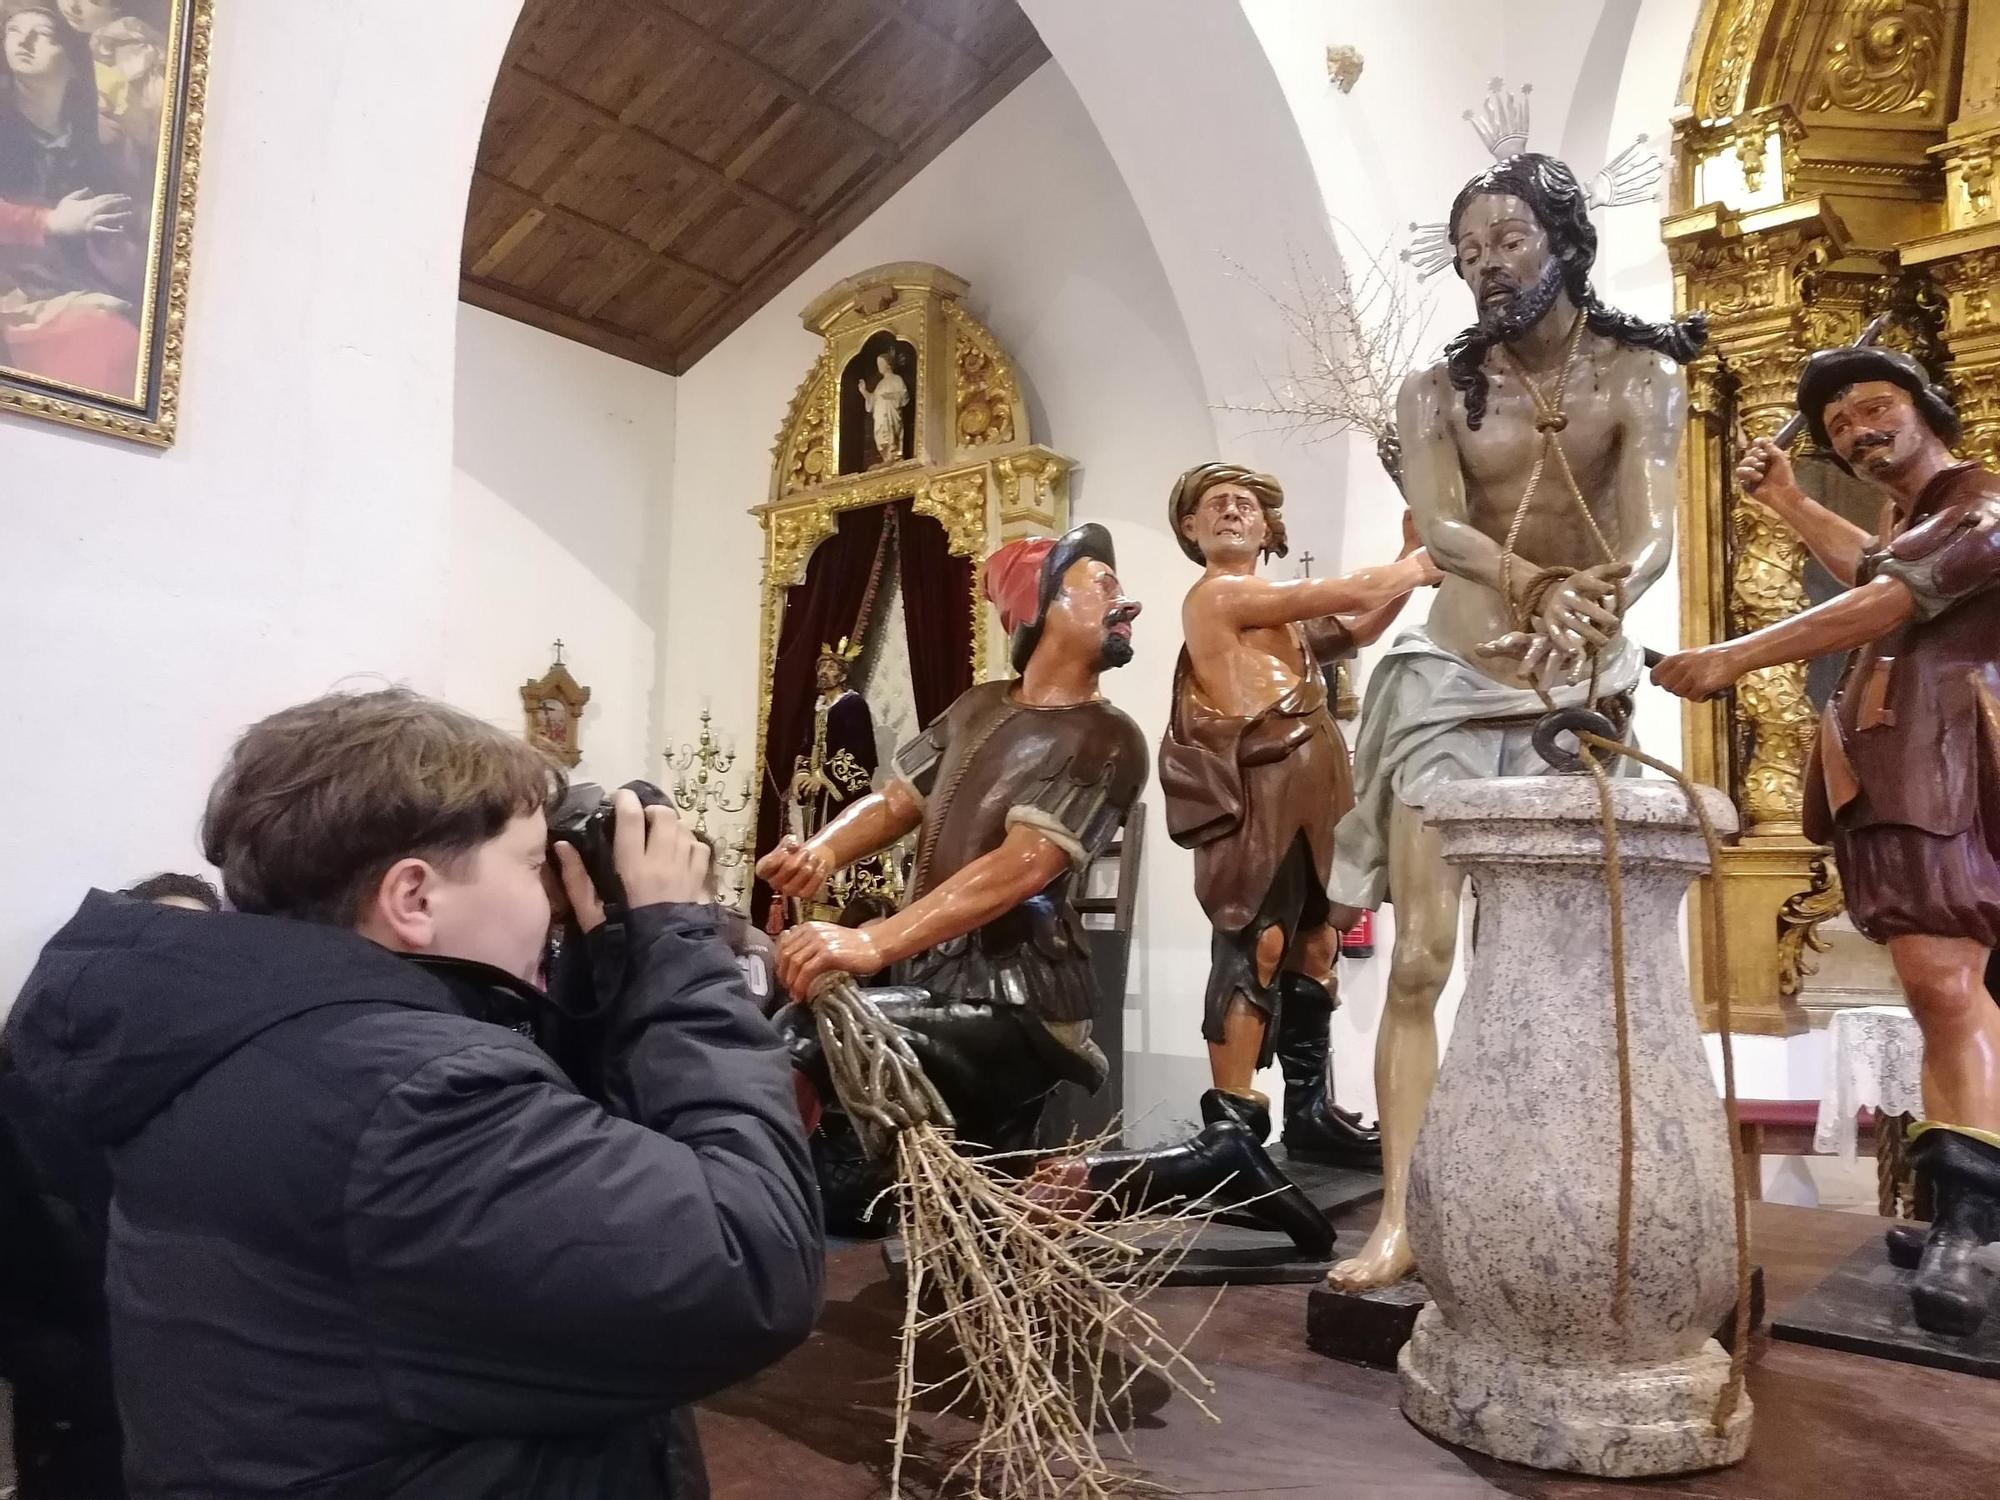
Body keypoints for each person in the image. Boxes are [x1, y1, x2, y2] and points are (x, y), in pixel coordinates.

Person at [3, 688, 822, 1498]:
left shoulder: (255, 1039)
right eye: (532, 865)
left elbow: (585, 1169)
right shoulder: (411, 1100)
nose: (546, 898)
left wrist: (612, 960)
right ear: (415, 898)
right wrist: (679, 940)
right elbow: (750, 1262)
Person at [1325, 152, 1704, 1290]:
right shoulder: (1436, 393)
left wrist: (1591, 599)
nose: (1487, 266)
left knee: (1555, 964)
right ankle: (1399, 1214)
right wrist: (1531, 585)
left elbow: (1650, 532)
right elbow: (1439, 533)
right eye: (1469, 250)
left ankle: (1547, 1198)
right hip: (1452, 675)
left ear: (1563, 241)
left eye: (1509, 241)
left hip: (1576, 680)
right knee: (1419, 962)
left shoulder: (1639, 374)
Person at [760, 524, 1334, 1253]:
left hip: (1015, 1000)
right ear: (1040, 607)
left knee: (809, 1032)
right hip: (946, 982)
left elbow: (1025, 864)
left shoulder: (1107, 738)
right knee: (934, 1202)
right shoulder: (977, 706)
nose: (1126, 603)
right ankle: (1207, 1167)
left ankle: (742, 1215)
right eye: (1102, 585)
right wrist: (819, 851)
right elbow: (896, 800)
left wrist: (871, 939)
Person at [1653, 348, 2000, 1337]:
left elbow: (1887, 599)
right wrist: (1784, 503)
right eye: (1839, 423)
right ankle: (1961, 1205)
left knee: (1942, 983)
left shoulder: (1977, 504)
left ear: (1928, 410)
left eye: (1874, 407)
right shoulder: (1912, 522)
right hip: (1899, 768)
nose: (1853, 430)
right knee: (1944, 989)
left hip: (1946, 764)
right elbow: (1874, 567)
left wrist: (1732, 655)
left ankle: (1967, 1231)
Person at [1160, 462, 1437, 1166]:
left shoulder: (1285, 624)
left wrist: (1409, 556)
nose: (1230, 511)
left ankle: (1308, 1111)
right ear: (1190, 528)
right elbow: (1348, 589)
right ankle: (1233, 1125)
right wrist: (1422, 562)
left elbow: (1359, 624)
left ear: (1268, 526)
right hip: (1257, 791)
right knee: (1257, 942)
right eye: (1213, 504)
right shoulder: (1220, 596)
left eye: (1245, 504)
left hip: (1316, 786)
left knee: (1317, 943)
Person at [0, 871, 213, 1498]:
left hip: (222, 1429)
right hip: (87, 1433)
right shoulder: (20, 1108)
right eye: (164, 939)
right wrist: (102, 1380)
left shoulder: (237, 1092)